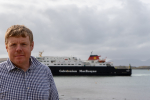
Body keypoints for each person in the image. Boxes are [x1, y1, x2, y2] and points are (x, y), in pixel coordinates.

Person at [0, 25, 59, 100]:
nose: (18, 49)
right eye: (13, 45)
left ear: (31, 46)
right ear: (6, 47)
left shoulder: (45, 71)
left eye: (23, 44)